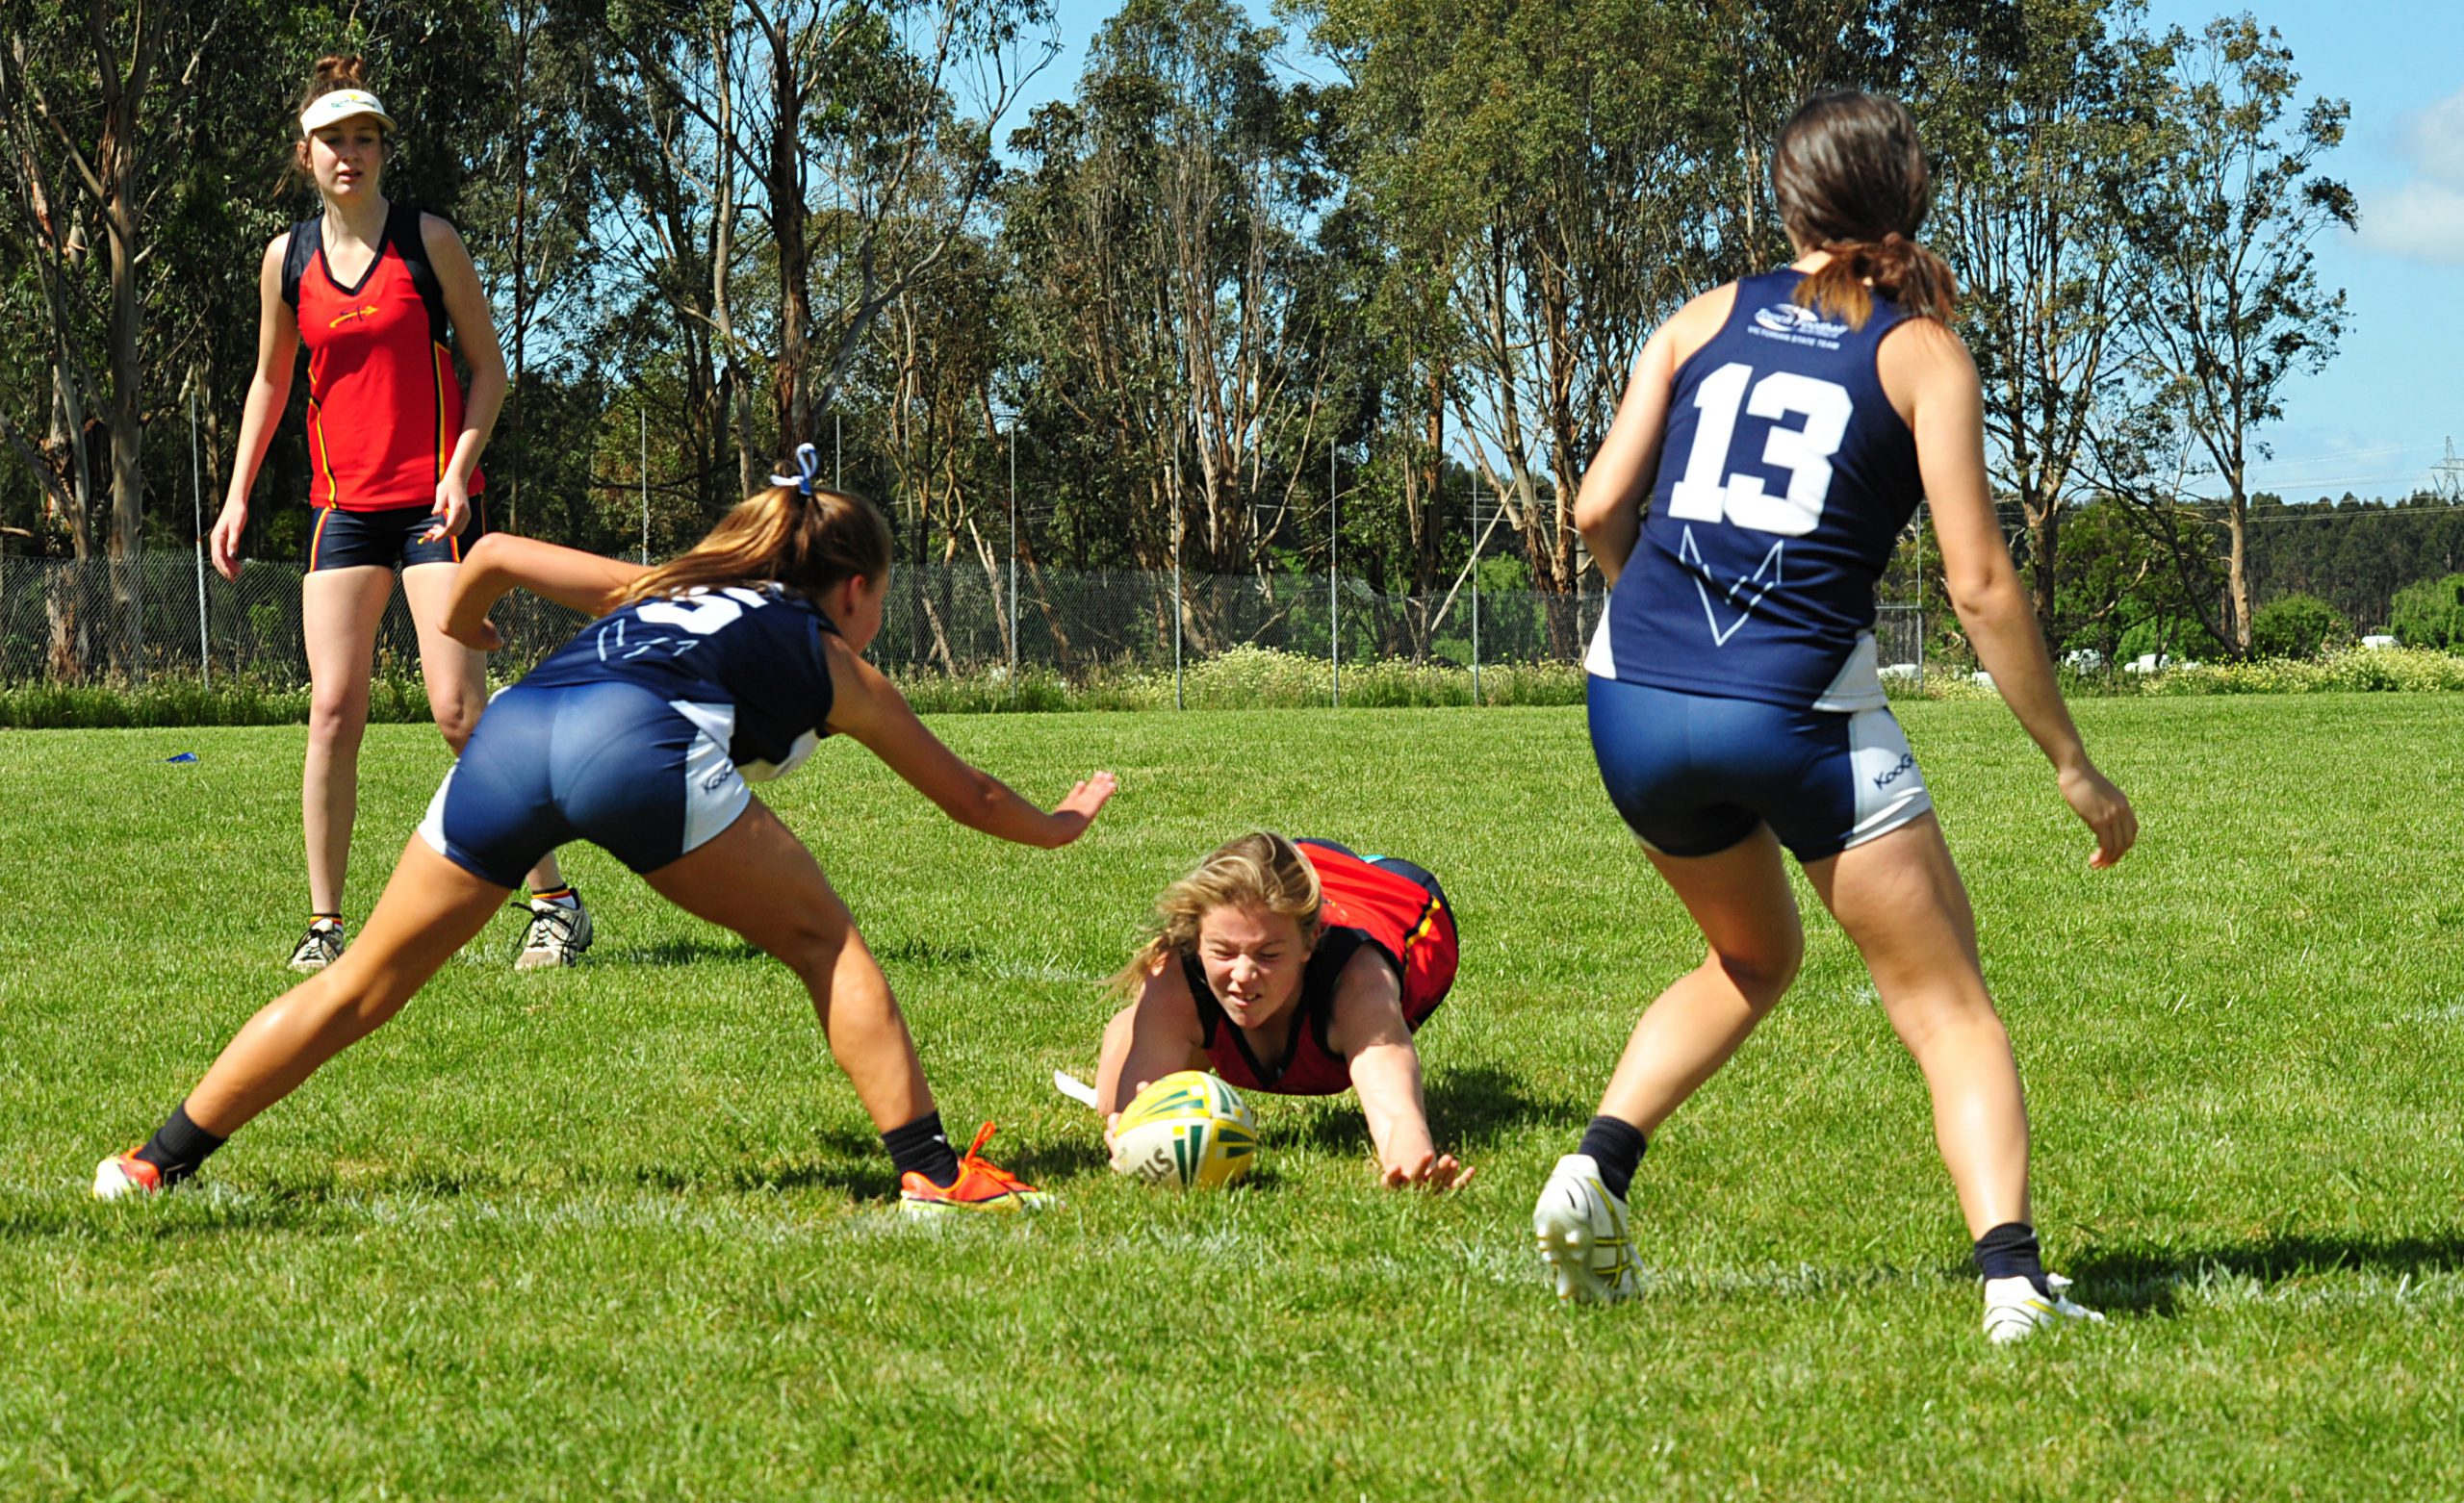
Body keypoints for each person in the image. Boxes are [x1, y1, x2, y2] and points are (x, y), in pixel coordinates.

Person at [98, 449, 1116, 1213]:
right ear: (853, 588)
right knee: (825, 942)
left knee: (361, 981)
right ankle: (932, 1173)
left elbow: (494, 552)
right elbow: (972, 798)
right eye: (879, 600)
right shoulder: (831, 658)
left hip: (512, 736)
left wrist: (459, 622)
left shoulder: (673, 585)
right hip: (633, 746)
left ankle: (154, 1162)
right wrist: (1061, 824)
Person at [1531, 91, 2138, 1341]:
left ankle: (1594, 1166)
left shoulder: (1700, 317)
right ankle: (2013, 1283)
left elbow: (1595, 510)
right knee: (1948, 1006)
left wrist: (1664, 636)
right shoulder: (1921, 352)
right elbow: (1979, 584)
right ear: (1909, 196)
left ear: (1789, 200)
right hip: (1794, 709)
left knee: (1750, 960)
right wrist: (2071, 760)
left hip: (1630, 700)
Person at [207, 55, 591, 973]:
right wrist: (236, 494)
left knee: (459, 712)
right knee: (333, 710)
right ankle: (325, 928)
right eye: (333, 140)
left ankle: (556, 903)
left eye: (365, 139)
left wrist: (461, 471)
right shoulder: (286, 260)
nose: (350, 155)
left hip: (434, 508)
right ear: (306, 154)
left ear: (383, 149)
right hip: (342, 510)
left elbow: (488, 369)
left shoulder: (429, 241)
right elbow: (270, 382)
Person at [1093, 833, 1472, 1190]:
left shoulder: (1359, 984)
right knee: (1110, 1105)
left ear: (1310, 942)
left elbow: (1396, 1114)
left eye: (1268, 955)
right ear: (1198, 940)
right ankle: (1141, 1020)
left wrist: (1411, 1165)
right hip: (1292, 881)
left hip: (1385, 891)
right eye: (1223, 952)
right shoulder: (1175, 975)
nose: (1243, 975)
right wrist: (1130, 1137)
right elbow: (1134, 1128)